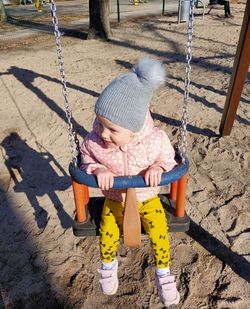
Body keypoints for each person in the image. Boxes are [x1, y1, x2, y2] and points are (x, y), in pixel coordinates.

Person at [80, 58, 180, 307]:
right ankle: (108, 266)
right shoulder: (94, 141)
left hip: (148, 199)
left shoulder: (155, 140)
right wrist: (97, 167)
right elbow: (85, 159)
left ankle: (164, 274)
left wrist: (158, 167)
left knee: (160, 232)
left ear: (134, 129)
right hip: (114, 199)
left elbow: (169, 159)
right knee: (108, 232)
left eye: (112, 129)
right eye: (100, 124)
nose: (104, 134)